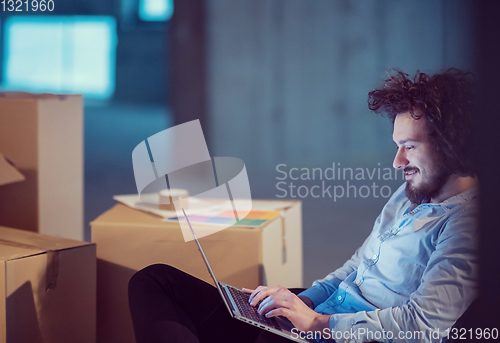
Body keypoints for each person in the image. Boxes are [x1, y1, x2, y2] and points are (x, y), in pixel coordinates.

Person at [128, 69, 478, 343]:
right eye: (396, 146)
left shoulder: (470, 224)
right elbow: (356, 268)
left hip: (342, 335)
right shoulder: (409, 195)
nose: (397, 161)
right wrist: (302, 302)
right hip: (317, 319)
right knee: (155, 281)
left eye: (409, 147)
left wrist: (317, 323)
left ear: (449, 144)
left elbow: (425, 324)